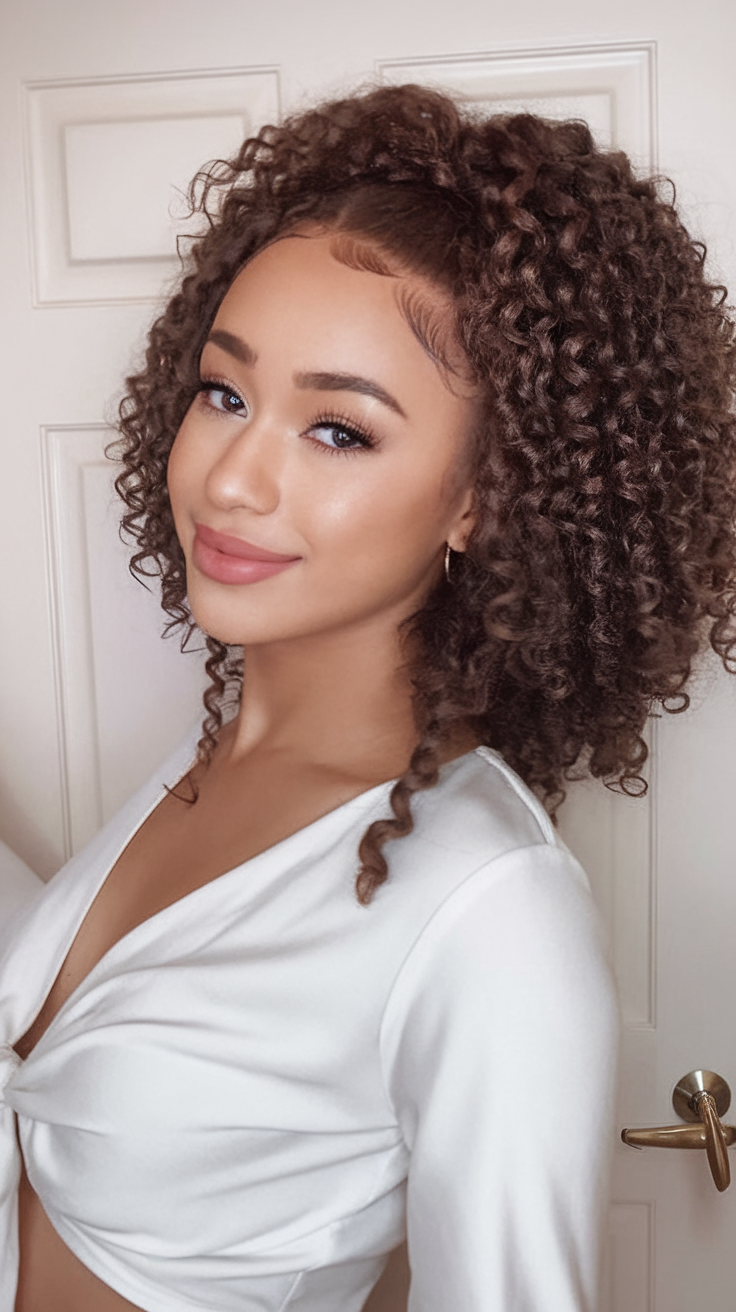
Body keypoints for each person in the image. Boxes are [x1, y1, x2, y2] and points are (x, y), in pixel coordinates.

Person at [1, 81, 734, 1312]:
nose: (231, 481)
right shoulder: (224, 757)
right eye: (225, 393)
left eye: (337, 430)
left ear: (483, 498)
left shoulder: (488, 909)